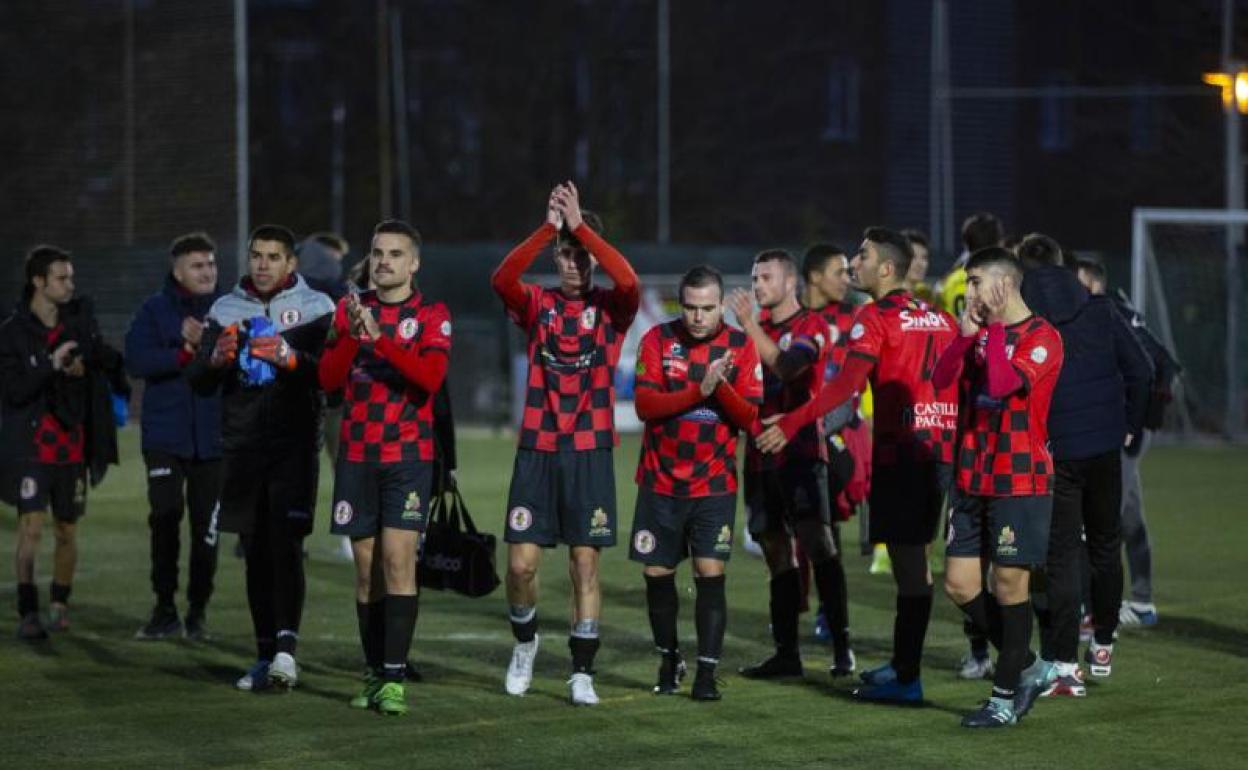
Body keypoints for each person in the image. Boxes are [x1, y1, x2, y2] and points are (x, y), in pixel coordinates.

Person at [757, 227, 958, 703]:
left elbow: (844, 386)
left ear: (886, 268)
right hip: (938, 453)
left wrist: (794, 422)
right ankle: (904, 666)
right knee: (913, 567)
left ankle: (926, 677)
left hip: (902, 453)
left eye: (862, 256)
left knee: (915, 570)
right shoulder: (936, 315)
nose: (853, 263)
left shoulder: (875, 316)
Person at [491, 182, 640, 706]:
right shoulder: (536, 304)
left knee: (584, 566)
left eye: (581, 254)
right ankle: (526, 645)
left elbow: (629, 279)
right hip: (538, 448)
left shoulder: (612, 309)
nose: (573, 262)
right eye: (565, 253)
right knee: (520, 567)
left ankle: (582, 673)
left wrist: (579, 227)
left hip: (589, 451)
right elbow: (502, 276)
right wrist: (548, 229)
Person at [188, 224, 334, 691]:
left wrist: (292, 359)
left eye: (274, 257)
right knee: (255, 550)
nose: (263, 264)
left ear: (291, 263)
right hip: (243, 447)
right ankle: (264, 653)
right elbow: (199, 379)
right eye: (257, 256)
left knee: (286, 545)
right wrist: (213, 361)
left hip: (293, 446)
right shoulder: (226, 308)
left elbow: (328, 378)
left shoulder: (317, 308)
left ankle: (287, 654)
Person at [318, 219, 450, 715]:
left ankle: (395, 678)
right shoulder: (350, 310)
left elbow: (430, 379)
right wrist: (351, 334)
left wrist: (379, 341)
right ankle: (373, 672)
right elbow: (328, 379)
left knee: (399, 561)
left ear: (413, 263)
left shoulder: (433, 315)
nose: (384, 262)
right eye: (377, 253)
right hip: (356, 455)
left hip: (407, 458)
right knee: (366, 570)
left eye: (395, 254)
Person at [932, 247, 1063, 727]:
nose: (969, 292)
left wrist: (988, 332)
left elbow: (1004, 384)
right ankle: (1029, 665)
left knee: (1008, 587)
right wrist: (967, 337)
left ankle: (1004, 699)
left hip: (1019, 480)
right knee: (959, 584)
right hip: (971, 475)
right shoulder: (979, 333)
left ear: (1004, 285)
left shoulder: (1042, 338)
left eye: (975, 282)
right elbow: (941, 379)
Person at [1016, 236, 1151, 697]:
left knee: (1062, 555)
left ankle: (1063, 665)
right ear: (1063, 265)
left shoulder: (1027, 318)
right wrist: (1129, 424)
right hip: (1105, 447)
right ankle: (1105, 642)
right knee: (1105, 543)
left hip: (1058, 451)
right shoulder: (1100, 310)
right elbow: (1143, 370)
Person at [631, 265, 762, 701]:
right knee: (657, 573)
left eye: (707, 308)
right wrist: (699, 390)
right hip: (660, 482)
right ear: (680, 304)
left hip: (714, 483)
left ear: (721, 305)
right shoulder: (657, 339)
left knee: (711, 571)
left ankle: (706, 673)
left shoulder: (741, 347)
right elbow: (646, 406)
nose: (698, 317)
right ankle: (669, 659)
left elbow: (750, 418)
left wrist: (718, 386)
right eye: (689, 307)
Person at [726, 249, 850, 680]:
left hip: (800, 454)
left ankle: (841, 646)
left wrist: (747, 327)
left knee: (818, 545)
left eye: (765, 277)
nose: (757, 284)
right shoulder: (750, 333)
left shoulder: (810, 326)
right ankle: (786, 654)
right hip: (760, 457)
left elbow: (788, 366)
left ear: (790, 282)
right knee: (776, 552)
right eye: (754, 276)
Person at [1, 245, 124, 639]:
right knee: (31, 530)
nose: (70, 285)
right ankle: (27, 611)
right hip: (32, 447)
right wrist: (51, 365)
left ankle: (58, 605)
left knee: (67, 530)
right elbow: (15, 390)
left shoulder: (80, 324)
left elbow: (107, 360)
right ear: (39, 282)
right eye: (61, 277)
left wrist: (85, 366)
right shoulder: (13, 332)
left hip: (72, 443)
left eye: (70, 277)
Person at [125, 232, 225, 640]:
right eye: (198, 265)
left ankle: (197, 611)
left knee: (207, 530)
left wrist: (209, 343)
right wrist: (184, 351)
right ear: (177, 269)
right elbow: (136, 360)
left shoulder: (227, 311)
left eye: (211, 264)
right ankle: (164, 607)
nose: (207, 272)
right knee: (165, 519)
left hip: (213, 440)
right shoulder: (154, 310)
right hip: (166, 436)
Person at [1071, 255, 1177, 627]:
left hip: (1125, 427)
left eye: (1079, 282)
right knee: (1129, 516)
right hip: (1131, 425)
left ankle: (1094, 611)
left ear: (1094, 283)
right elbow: (1163, 363)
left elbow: (1154, 366)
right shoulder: (1121, 308)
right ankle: (1143, 602)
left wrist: (1135, 422)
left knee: (1102, 520)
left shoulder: (1108, 311)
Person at [798, 243, 865, 654]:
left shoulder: (854, 317)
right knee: (787, 532)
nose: (847, 278)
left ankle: (830, 616)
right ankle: (794, 608)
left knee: (827, 527)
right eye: (839, 271)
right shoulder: (792, 320)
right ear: (814, 277)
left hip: (834, 434)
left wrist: (826, 423)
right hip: (791, 437)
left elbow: (852, 384)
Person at [901, 228, 935, 304]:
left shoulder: (926, 297)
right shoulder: (885, 298)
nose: (920, 264)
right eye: (913, 257)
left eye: (924, 258)